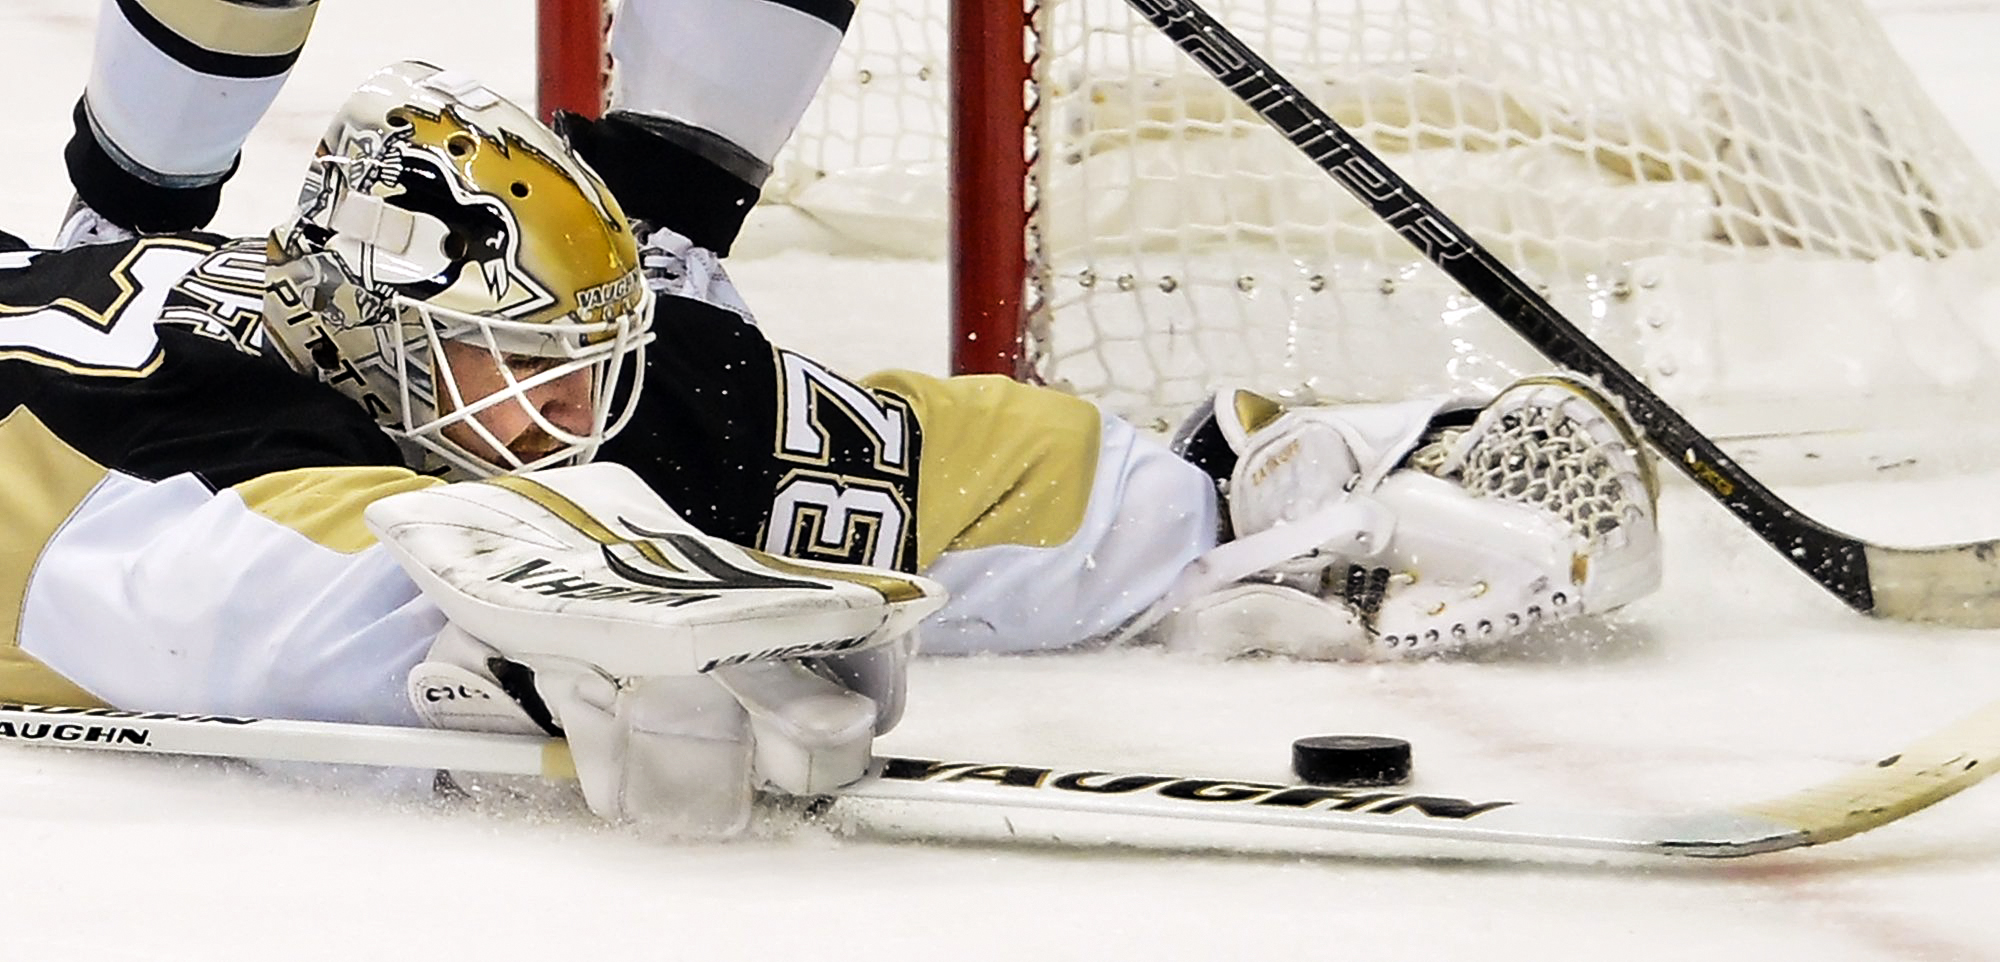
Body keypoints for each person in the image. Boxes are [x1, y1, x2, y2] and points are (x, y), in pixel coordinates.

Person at [0, 0, 1662, 834]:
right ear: (374, 349)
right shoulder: (131, 454)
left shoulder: (572, 375)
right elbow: (287, 594)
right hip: (88, 418)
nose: (579, 408)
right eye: (535, 377)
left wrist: (1243, 495)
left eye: (588, 363)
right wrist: (557, 644)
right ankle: (124, 196)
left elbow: (914, 465)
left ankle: (657, 226)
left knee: (702, 428)